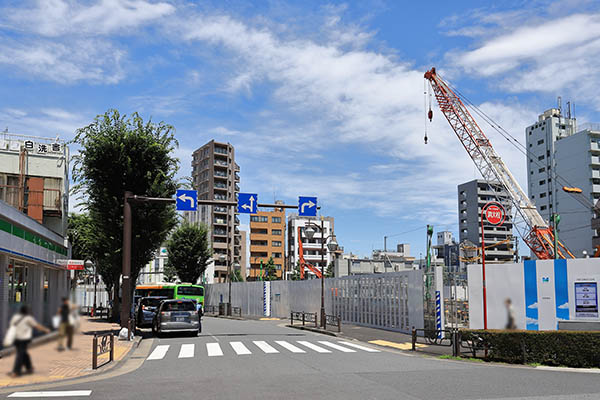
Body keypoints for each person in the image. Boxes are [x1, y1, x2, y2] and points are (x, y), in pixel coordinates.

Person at [8, 305, 50, 377]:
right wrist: (45, 330)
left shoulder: (15, 317)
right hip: (23, 339)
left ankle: (29, 367)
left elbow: (11, 325)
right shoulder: (28, 318)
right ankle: (16, 371)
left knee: (23, 353)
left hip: (16, 338)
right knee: (21, 354)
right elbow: (36, 326)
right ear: (27, 311)